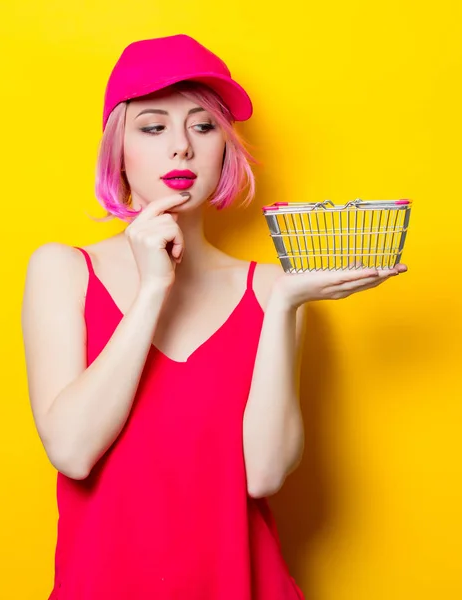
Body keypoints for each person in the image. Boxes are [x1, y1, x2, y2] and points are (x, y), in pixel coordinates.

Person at [21, 34, 407, 600]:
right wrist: (154, 287)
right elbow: (73, 451)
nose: (181, 147)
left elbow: (266, 474)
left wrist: (283, 308)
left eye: (203, 127)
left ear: (224, 147)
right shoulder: (62, 270)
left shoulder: (270, 288)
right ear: (117, 149)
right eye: (153, 127)